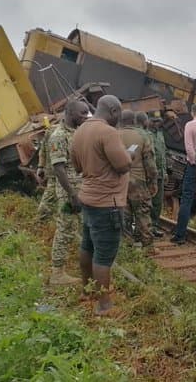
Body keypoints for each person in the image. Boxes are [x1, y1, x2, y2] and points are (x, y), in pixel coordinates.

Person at [70, 95, 131, 316]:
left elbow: (76, 166)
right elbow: (123, 165)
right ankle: (104, 304)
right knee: (104, 255)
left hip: (88, 197)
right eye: (119, 114)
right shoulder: (108, 132)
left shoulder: (79, 131)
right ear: (114, 111)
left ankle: (87, 290)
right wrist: (128, 156)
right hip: (108, 202)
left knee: (87, 245)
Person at [48, 100, 90, 285]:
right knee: (65, 229)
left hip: (82, 189)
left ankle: (84, 265)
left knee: (81, 228)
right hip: (69, 193)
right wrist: (72, 194)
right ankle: (57, 273)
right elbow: (59, 168)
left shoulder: (77, 132)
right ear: (71, 112)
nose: (85, 116)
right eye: (82, 113)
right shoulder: (58, 136)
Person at [171, 103, 196, 244]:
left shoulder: (190, 125)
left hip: (193, 167)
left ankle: (180, 235)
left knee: (187, 199)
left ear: (193, 113)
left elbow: (189, 148)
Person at [121, 110, 159, 249]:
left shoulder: (113, 135)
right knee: (143, 213)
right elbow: (150, 164)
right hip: (138, 182)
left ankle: (127, 246)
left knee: (124, 215)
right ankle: (148, 247)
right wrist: (153, 181)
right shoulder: (142, 136)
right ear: (134, 121)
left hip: (119, 183)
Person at [148, 113, 167, 231]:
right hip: (150, 174)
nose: (157, 123)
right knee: (146, 202)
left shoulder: (160, 134)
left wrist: (164, 172)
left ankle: (154, 226)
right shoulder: (146, 134)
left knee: (158, 202)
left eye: (158, 121)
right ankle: (145, 228)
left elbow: (163, 154)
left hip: (160, 173)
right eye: (154, 121)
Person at [36, 119, 57, 223]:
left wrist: (40, 166)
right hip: (59, 175)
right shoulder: (52, 132)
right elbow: (43, 150)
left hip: (58, 175)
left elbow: (42, 151)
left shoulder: (50, 131)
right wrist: (40, 167)